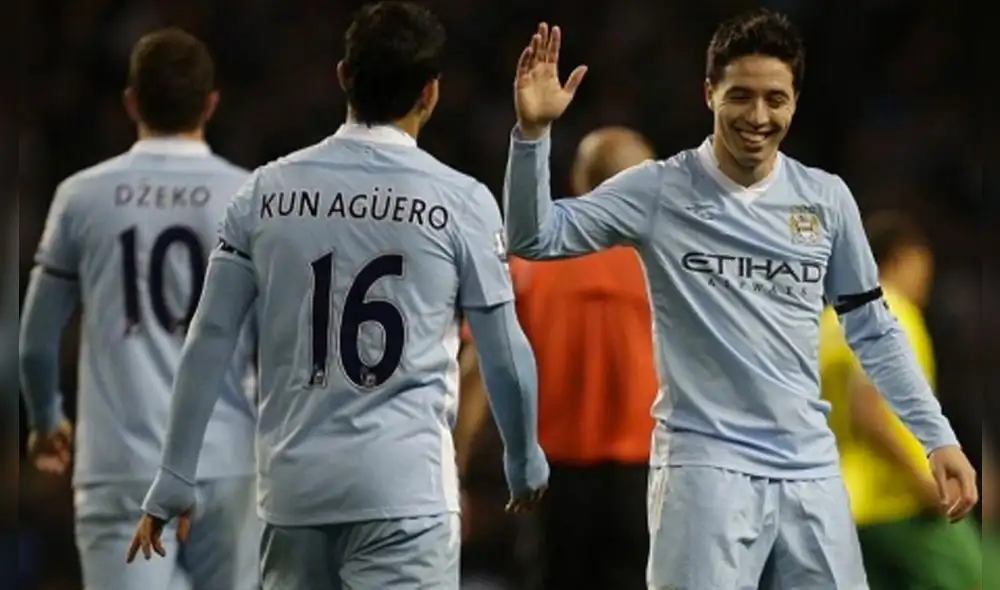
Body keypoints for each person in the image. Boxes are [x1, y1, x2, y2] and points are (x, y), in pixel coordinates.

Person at [503, 10, 979, 589]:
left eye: (775, 99)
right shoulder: (659, 190)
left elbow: (873, 330)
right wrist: (531, 137)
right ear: (709, 94)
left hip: (809, 469)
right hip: (705, 468)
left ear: (795, 102)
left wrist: (938, 437)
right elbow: (535, 237)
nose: (758, 116)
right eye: (741, 96)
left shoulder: (825, 200)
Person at [126, 3, 548, 589]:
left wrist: (175, 470)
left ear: (343, 76)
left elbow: (210, 339)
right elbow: (504, 353)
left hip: (295, 493)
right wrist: (522, 456)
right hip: (404, 493)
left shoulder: (265, 193)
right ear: (430, 93)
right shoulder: (463, 202)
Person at [19, 29, 259, 590]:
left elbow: (36, 338)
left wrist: (45, 418)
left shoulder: (83, 195)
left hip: (121, 461)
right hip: (226, 457)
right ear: (211, 104)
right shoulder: (250, 194)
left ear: (131, 102)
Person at [459, 126, 658, 590]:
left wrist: (460, 458)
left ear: (580, 181)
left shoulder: (532, 263)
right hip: (646, 473)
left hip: (551, 480)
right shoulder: (667, 265)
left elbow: (481, 363)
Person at [820, 211, 982, 589]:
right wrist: (924, 480)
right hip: (897, 502)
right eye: (923, 266)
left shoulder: (830, 322)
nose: (927, 279)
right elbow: (868, 409)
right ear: (901, 258)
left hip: (844, 505)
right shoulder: (891, 312)